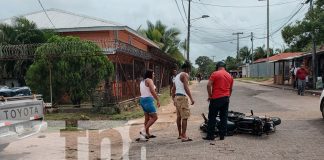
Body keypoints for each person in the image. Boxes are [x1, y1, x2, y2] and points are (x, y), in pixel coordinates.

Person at [204, 61, 233, 141]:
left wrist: (210, 95)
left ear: (217, 67)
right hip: (226, 98)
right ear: (224, 67)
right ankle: (222, 136)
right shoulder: (229, 75)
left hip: (216, 98)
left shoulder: (215, 73)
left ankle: (210, 136)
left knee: (212, 117)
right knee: (224, 117)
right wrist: (227, 96)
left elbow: (208, 85)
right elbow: (230, 89)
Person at [172, 61, 195, 142]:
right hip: (182, 97)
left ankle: (180, 134)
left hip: (177, 97)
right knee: (185, 117)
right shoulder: (184, 75)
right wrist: (191, 98)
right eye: (189, 69)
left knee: (179, 117)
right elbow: (186, 87)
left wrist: (173, 99)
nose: (189, 71)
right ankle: (184, 136)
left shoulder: (177, 76)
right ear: (187, 68)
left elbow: (173, 89)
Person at [139, 69, 160, 140]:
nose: (154, 75)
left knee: (147, 118)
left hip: (142, 100)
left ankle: (147, 134)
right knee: (155, 117)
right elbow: (152, 91)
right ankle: (143, 130)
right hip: (148, 100)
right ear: (150, 74)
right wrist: (158, 100)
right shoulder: (149, 80)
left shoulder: (142, 81)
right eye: (153, 74)